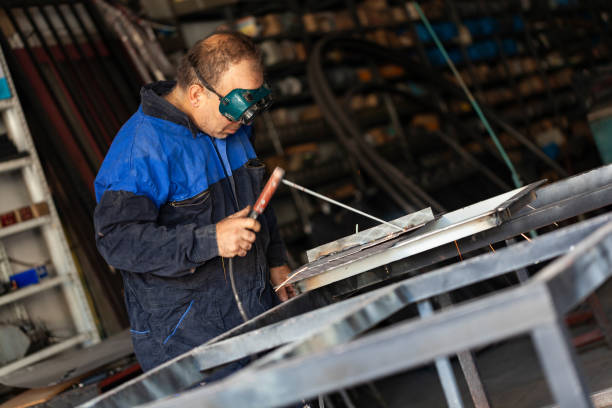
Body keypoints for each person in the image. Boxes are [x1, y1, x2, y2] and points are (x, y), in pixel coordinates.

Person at [93, 31, 296, 372]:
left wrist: (276, 261)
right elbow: (117, 241)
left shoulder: (231, 129)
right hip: (190, 345)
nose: (244, 120)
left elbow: (259, 204)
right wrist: (210, 240)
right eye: (236, 107)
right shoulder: (140, 149)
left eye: (252, 105)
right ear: (197, 93)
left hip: (257, 316)